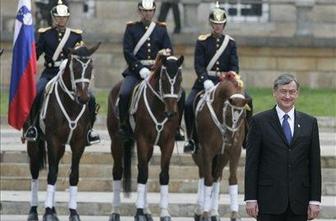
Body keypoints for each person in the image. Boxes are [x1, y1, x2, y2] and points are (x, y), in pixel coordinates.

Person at [245, 74, 321, 221]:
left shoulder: (310, 123)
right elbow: (252, 164)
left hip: (299, 203)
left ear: (297, 94)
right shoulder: (259, 122)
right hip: (268, 202)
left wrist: (315, 200)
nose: (287, 96)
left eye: (292, 92)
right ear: (275, 93)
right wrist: (250, 198)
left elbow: (314, 165)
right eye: (283, 91)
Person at [24, 0, 101, 145]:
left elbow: (82, 54)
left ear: (67, 18)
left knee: (90, 98)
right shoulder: (45, 34)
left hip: (69, 75)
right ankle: (33, 126)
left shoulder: (75, 36)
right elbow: (35, 54)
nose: (61, 20)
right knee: (38, 91)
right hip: (50, 73)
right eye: (58, 17)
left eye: (64, 17)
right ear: (54, 17)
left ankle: (89, 130)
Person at [183, 2, 253, 153]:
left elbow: (234, 66)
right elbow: (198, 65)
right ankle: (191, 139)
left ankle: (247, 137)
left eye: (220, 24)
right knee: (189, 104)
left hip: (226, 83)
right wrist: (205, 79)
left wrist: (230, 78)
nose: (217, 27)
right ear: (210, 24)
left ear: (224, 24)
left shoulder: (231, 43)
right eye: (215, 23)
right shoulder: (202, 41)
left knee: (248, 99)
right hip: (205, 81)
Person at [118, 0, 185, 142]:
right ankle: (124, 126)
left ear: (154, 11)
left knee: (181, 93)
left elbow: (168, 51)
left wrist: (161, 64)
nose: (147, 14)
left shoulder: (161, 29)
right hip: (136, 71)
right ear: (140, 11)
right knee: (124, 93)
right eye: (144, 11)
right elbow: (127, 52)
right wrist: (140, 68)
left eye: (150, 11)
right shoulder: (131, 28)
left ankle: (177, 127)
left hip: (157, 71)